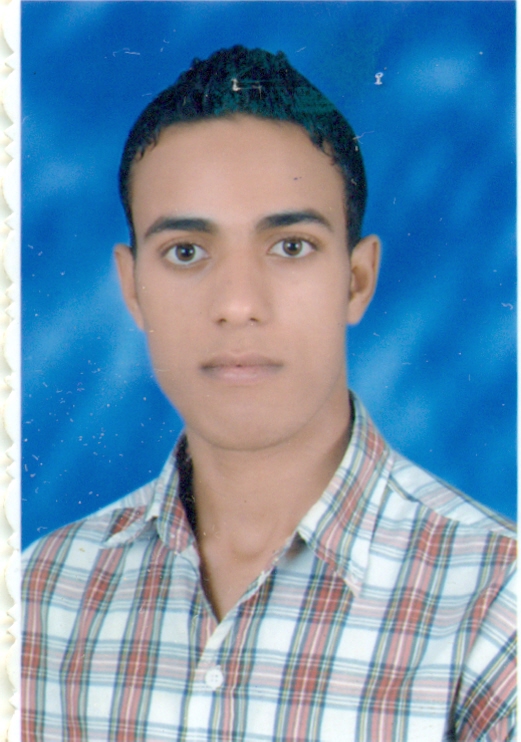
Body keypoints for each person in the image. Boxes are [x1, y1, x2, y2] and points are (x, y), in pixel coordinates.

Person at [22, 46, 516, 741]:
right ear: (133, 288)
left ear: (356, 280)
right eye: (186, 252)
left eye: (290, 246)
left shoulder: (496, 606)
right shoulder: (38, 596)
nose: (237, 304)